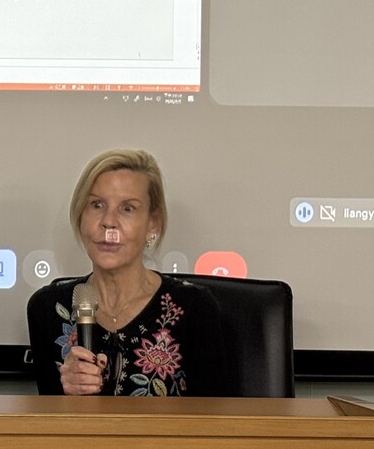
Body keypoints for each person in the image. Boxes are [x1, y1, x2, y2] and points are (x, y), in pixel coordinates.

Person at [26, 149, 235, 397]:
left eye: (127, 208)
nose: (108, 222)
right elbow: (47, 426)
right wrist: (66, 391)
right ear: (81, 216)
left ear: (152, 224)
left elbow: (215, 422)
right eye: (97, 205)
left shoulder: (194, 307)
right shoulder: (49, 308)